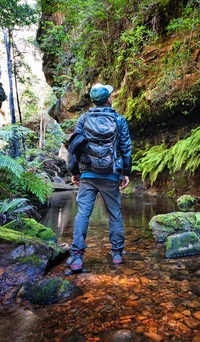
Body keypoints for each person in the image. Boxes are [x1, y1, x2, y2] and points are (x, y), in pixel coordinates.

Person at [67, 83, 132, 272]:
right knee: (114, 214)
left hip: (88, 173)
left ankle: (77, 256)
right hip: (110, 174)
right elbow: (125, 148)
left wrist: (74, 172)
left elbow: (74, 147)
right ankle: (117, 253)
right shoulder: (119, 120)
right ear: (108, 99)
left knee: (83, 214)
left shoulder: (83, 119)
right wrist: (125, 172)